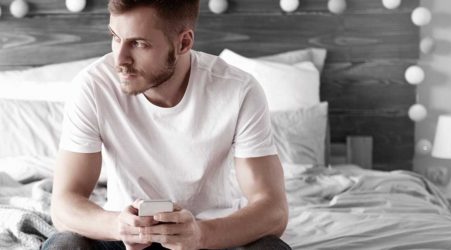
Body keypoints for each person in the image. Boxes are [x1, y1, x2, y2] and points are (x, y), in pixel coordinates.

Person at [42, 0, 290, 249]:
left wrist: (200, 235)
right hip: (124, 236)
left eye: (138, 44)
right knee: (65, 244)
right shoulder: (93, 86)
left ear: (183, 43)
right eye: (115, 37)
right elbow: (63, 205)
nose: (120, 60)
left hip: (210, 235)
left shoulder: (238, 90)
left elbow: (273, 209)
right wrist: (118, 225)